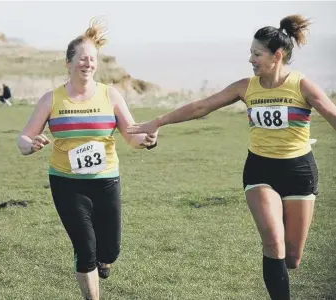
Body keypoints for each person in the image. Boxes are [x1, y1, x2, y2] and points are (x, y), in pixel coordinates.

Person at [127, 15, 336, 300]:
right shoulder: (245, 87)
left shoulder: (302, 86)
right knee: (273, 243)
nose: (250, 59)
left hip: (300, 172)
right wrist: (159, 121)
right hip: (260, 171)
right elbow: (202, 106)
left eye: (256, 54)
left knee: (292, 258)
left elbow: (332, 115)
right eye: (250, 52)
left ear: (277, 56)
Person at [17, 16, 158, 300]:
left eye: (92, 59)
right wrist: (30, 145)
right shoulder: (51, 99)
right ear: (68, 63)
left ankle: (104, 261)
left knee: (110, 250)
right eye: (82, 59)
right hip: (67, 183)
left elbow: (131, 136)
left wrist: (148, 140)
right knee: (85, 249)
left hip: (106, 181)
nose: (88, 64)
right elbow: (23, 138)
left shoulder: (111, 95)